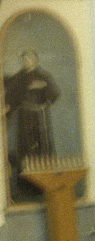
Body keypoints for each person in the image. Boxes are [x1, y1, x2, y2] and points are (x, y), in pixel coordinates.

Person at [4, 48, 60, 199]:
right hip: (24, 118)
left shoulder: (44, 76)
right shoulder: (18, 77)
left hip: (40, 117)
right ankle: (26, 186)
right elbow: (11, 93)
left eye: (29, 58)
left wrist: (44, 87)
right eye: (24, 59)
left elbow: (55, 93)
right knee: (25, 149)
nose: (26, 61)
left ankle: (44, 185)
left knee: (42, 147)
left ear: (35, 60)